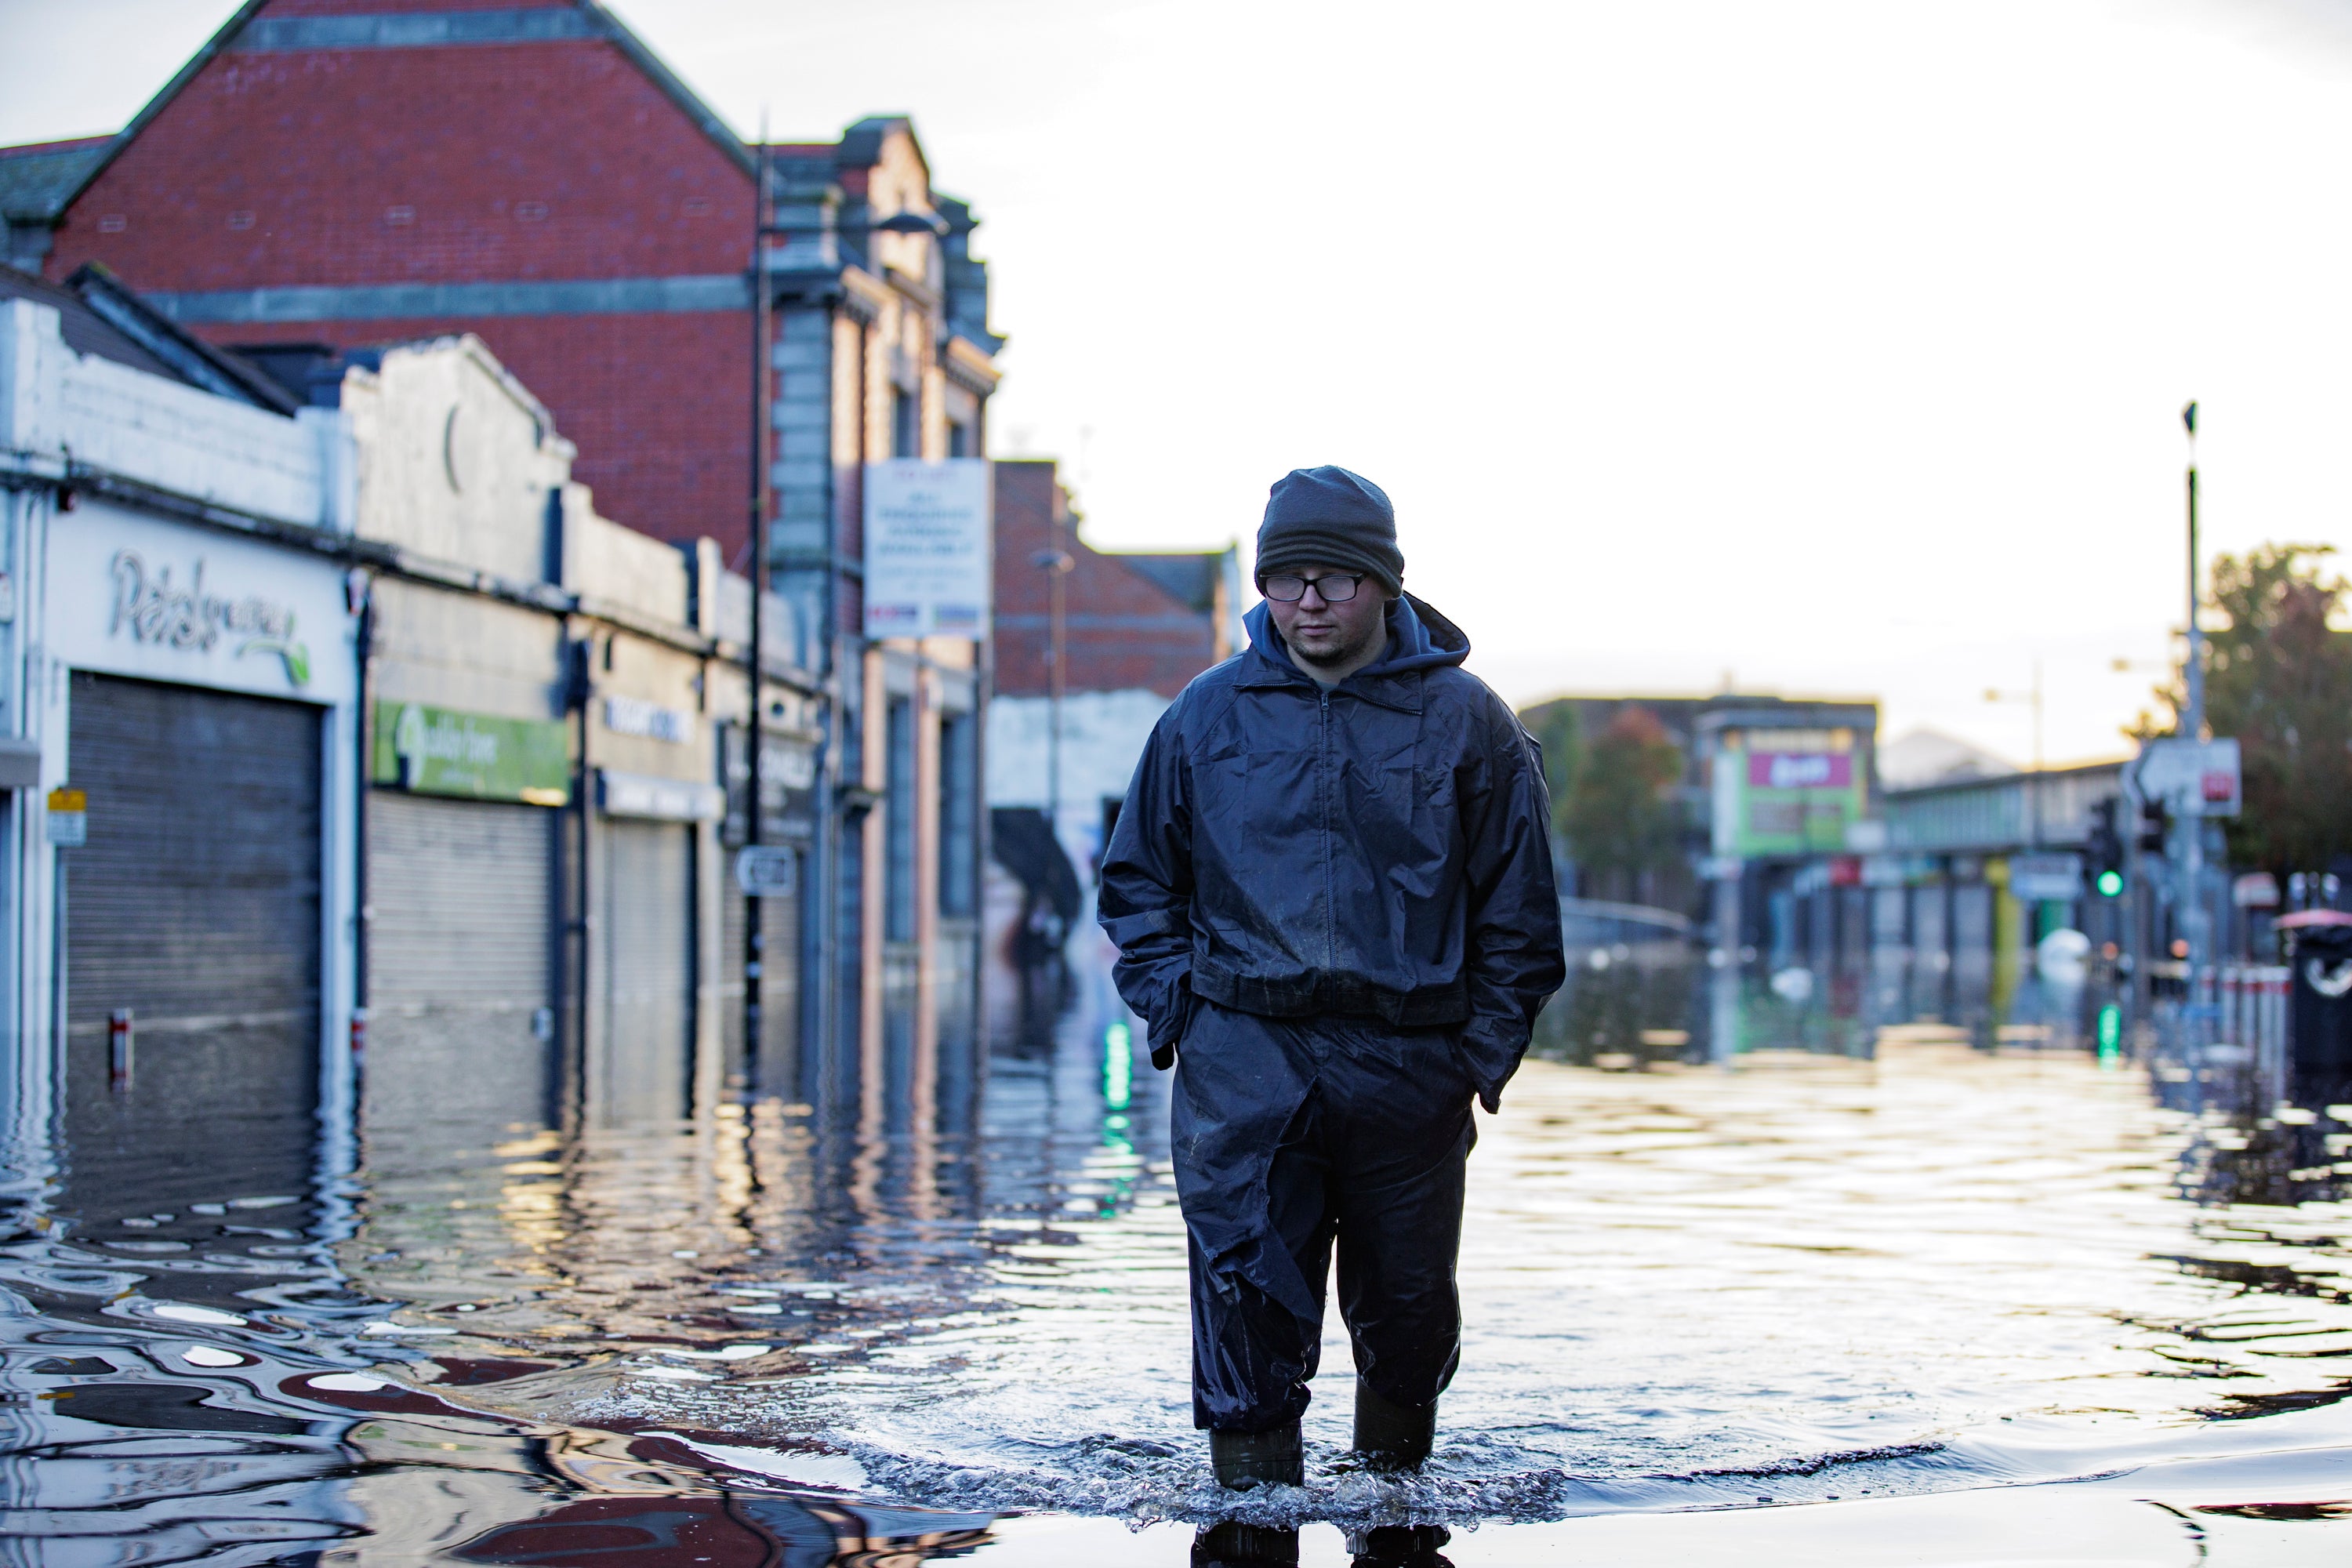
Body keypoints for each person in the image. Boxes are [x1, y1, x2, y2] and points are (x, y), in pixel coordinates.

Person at [1098, 466, 1566, 1499]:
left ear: (1384, 586)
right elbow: (1138, 886)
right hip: (1245, 1069)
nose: (1309, 600)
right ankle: (1251, 1510)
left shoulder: (1467, 722)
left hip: (1412, 1068)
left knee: (1406, 1314)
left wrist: (1476, 1057)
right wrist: (1185, 1018)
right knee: (1245, 1312)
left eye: (1336, 579)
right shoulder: (1203, 719)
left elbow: (1521, 913)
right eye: (1289, 578)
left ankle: (1395, 1510)